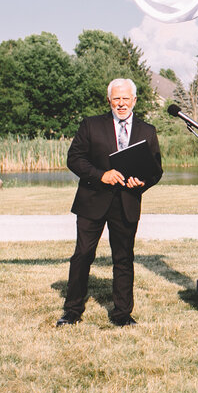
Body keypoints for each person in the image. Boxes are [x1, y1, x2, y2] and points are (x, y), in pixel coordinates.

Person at [58, 78, 162, 328]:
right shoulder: (91, 125)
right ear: (109, 100)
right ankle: (72, 311)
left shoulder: (147, 131)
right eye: (117, 98)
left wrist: (142, 182)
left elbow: (156, 170)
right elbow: (74, 159)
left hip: (127, 203)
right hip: (92, 200)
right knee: (82, 255)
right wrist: (100, 175)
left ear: (134, 100)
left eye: (126, 98)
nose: (121, 103)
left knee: (124, 258)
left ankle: (122, 314)